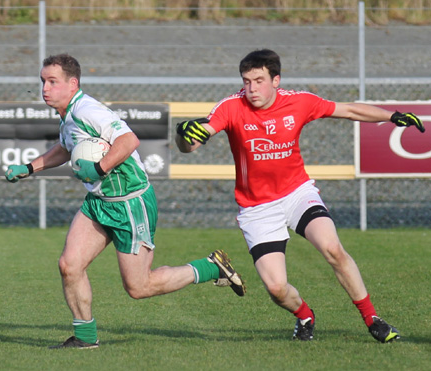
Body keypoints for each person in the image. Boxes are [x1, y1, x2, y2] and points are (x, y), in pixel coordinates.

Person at [175, 49, 425, 343]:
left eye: (259, 80)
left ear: (276, 80)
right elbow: (190, 145)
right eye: (246, 81)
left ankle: (373, 319)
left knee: (332, 248)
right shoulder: (231, 107)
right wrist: (182, 133)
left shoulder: (300, 102)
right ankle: (305, 315)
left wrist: (392, 116)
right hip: (257, 208)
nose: (252, 88)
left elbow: (349, 110)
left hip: (297, 193)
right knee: (277, 289)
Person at [5, 53, 245, 349]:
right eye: (43, 81)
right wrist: (30, 168)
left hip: (130, 203)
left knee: (139, 287)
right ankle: (85, 338)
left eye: (52, 81)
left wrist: (100, 167)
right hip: (99, 201)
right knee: (69, 265)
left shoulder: (87, 110)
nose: (45, 88)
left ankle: (211, 267)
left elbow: (129, 140)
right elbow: (67, 149)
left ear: (72, 84)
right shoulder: (68, 116)